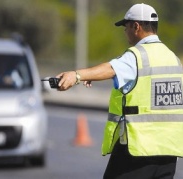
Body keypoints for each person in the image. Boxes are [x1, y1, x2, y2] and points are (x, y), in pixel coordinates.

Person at [56, 3, 183, 179]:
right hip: (168, 152)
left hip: (138, 150)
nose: (125, 32)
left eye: (126, 26)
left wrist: (77, 75)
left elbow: (111, 68)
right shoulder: (173, 59)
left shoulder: (137, 55)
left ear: (136, 26)